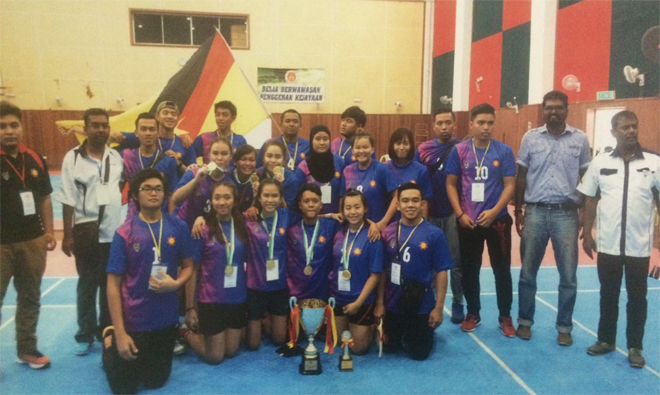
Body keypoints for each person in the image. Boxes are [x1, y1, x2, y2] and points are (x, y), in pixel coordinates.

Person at [578, 110, 659, 368]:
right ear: (614, 132)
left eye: (634, 126)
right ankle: (606, 340)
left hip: (639, 246)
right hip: (609, 244)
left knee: (638, 299)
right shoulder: (601, 162)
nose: (631, 131)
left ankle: (635, 346)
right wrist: (587, 233)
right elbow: (590, 198)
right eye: (624, 127)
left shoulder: (654, 163)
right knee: (608, 294)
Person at [103, 168, 193, 394]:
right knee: (124, 389)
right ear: (135, 195)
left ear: (165, 194)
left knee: (155, 381)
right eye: (147, 189)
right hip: (134, 322)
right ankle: (110, 339)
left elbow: (189, 267)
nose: (154, 193)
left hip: (165, 322)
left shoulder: (178, 227)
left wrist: (177, 284)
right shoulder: (125, 233)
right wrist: (122, 334)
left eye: (158, 189)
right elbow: (113, 284)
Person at [514, 90, 591, 346]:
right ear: (543, 110)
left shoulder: (580, 140)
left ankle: (564, 326)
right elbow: (521, 176)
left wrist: (585, 216)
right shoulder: (530, 138)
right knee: (527, 274)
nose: (553, 112)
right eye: (549, 108)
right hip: (535, 212)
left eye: (559, 107)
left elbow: (588, 181)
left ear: (567, 110)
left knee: (568, 276)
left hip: (566, 215)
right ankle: (524, 322)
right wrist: (518, 210)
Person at [445, 103, 516, 336]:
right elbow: (451, 184)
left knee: (502, 270)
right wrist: (460, 214)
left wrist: (495, 211)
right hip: (469, 222)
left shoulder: (503, 151)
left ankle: (505, 315)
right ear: (471, 124)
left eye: (490, 123)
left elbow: (510, 186)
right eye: (481, 122)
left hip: (497, 221)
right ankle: (473, 312)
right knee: (469, 269)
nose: (486, 127)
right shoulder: (460, 151)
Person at [59, 108, 124, 355]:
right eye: (95, 125)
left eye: (104, 125)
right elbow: (67, 197)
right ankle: (84, 333)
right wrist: (67, 234)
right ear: (85, 129)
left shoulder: (117, 158)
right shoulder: (72, 158)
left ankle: (106, 329)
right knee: (87, 285)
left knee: (111, 285)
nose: (100, 129)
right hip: (86, 232)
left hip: (113, 234)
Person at [0, 101, 57, 369]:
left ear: (21, 128)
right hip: (1, 244)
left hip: (32, 241)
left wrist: (47, 232)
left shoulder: (33, 158)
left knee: (30, 296)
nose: (9, 131)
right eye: (2, 126)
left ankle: (27, 348)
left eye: (13, 125)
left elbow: (45, 197)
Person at [377, 183, 453, 360]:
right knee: (390, 348)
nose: (410, 205)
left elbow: (442, 272)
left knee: (419, 354)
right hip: (392, 304)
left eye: (415, 200)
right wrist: (380, 303)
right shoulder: (387, 232)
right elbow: (381, 271)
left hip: (421, 305)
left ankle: (419, 331)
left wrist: (439, 308)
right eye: (405, 201)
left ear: (422, 204)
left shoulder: (435, 234)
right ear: (397, 205)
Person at [182, 182, 249, 364]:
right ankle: (184, 332)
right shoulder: (202, 228)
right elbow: (192, 269)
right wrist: (190, 308)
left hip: (237, 298)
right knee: (215, 357)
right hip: (211, 300)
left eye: (227, 197)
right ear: (211, 201)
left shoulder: (243, 225)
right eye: (217, 197)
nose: (222, 202)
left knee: (231, 351)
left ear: (234, 201)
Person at [415, 107, 464, 323]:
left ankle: (458, 302)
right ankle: (432, 302)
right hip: (430, 215)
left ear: (454, 124)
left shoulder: (463, 148)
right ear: (433, 125)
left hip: (454, 213)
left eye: (448, 122)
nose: (444, 127)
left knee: (456, 262)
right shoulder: (423, 149)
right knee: (430, 263)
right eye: (440, 123)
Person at [330, 189, 383, 354]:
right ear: (343, 210)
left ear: (365, 209)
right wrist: (331, 215)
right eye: (348, 208)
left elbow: (375, 275)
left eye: (357, 207)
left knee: (358, 349)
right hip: (338, 296)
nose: (352, 212)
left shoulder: (373, 236)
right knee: (340, 342)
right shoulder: (338, 230)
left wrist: (358, 303)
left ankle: (374, 326)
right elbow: (311, 215)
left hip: (361, 300)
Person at [245, 178, 294, 350]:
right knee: (253, 344)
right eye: (266, 195)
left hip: (279, 286)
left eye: (274, 196)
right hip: (255, 286)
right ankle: (261, 320)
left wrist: (331, 215)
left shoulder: (286, 215)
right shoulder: (249, 218)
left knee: (279, 340)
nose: (270, 200)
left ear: (281, 198)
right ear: (259, 197)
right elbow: (224, 217)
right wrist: (200, 217)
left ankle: (267, 320)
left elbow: (311, 214)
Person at [121, 113, 179, 219]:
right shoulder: (126, 156)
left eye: (152, 129)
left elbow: (171, 195)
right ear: (136, 133)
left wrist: (172, 220)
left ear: (157, 132)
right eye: (143, 129)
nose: (148, 133)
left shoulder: (168, 160)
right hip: (133, 218)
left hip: (161, 217)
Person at [287, 184, 338, 302]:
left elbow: (354, 220)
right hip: (296, 295)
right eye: (306, 201)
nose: (311, 205)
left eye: (315, 201)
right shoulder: (291, 230)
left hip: (324, 295)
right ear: (300, 205)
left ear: (321, 204)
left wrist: (373, 225)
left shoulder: (332, 226)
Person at [113, 101, 196, 173]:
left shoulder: (185, 143)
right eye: (165, 113)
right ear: (157, 117)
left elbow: (194, 172)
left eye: (173, 114)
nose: (170, 116)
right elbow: (113, 135)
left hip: (174, 189)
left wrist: (179, 164)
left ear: (178, 119)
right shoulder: (145, 137)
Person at [173, 137, 235, 229]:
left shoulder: (230, 183)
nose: (219, 157)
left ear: (230, 157)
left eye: (224, 154)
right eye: (215, 153)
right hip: (183, 226)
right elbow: (175, 199)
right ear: (209, 155)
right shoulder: (194, 172)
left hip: (207, 231)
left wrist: (203, 218)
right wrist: (196, 180)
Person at [341, 132, 398, 229]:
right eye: (357, 148)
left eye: (365, 147)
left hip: (376, 229)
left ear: (372, 149)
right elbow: (342, 199)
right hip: (353, 228)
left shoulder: (381, 169)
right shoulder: (347, 171)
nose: (361, 151)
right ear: (352, 150)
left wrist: (383, 222)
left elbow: (397, 196)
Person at [385, 127, 432, 222]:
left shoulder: (421, 170)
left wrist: (424, 225)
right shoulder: (384, 168)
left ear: (411, 146)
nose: (401, 147)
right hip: (389, 225)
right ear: (392, 145)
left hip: (413, 224)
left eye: (406, 143)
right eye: (398, 143)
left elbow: (425, 201)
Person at [295, 125, 345, 214]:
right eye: (317, 139)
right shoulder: (303, 167)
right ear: (311, 141)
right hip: (311, 220)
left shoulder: (340, 163)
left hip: (337, 220)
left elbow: (344, 193)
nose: (322, 143)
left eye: (325, 139)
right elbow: (298, 198)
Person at [256, 139, 302, 208]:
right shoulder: (257, 174)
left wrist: (280, 186)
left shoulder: (291, 179)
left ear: (284, 159)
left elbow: (287, 209)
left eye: (278, 157)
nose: (273, 160)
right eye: (269, 156)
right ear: (263, 158)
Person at [230, 144, 258, 213]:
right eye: (243, 159)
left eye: (252, 160)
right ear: (235, 162)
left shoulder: (258, 179)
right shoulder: (227, 177)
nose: (248, 163)